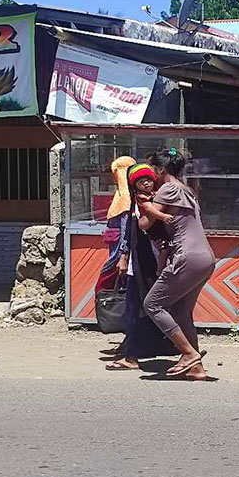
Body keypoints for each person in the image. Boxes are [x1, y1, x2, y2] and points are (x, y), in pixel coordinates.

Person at [142, 149, 215, 381]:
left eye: (150, 170)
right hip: (204, 257)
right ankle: (197, 368)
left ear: (160, 170)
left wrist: (143, 203)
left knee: (152, 304)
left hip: (187, 257)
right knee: (181, 311)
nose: (149, 175)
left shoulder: (168, 189)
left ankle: (188, 353)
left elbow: (145, 223)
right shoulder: (186, 190)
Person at [105, 163, 180, 371]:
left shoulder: (159, 198)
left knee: (159, 306)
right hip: (139, 263)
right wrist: (123, 256)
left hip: (159, 260)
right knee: (134, 309)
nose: (146, 183)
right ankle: (131, 356)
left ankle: (176, 349)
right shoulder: (135, 204)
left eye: (149, 179)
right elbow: (129, 233)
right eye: (140, 181)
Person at [96, 156, 137, 296]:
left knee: (106, 284)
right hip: (117, 248)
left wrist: (122, 255)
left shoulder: (126, 196)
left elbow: (125, 227)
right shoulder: (121, 194)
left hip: (119, 252)